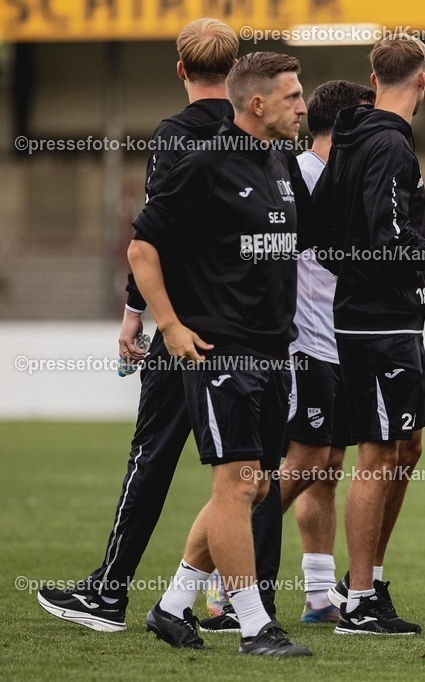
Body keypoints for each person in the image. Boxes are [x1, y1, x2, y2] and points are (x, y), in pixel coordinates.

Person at [35, 18, 284, 633]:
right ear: (235, 76)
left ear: (180, 69)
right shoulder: (255, 140)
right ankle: (246, 602)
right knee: (252, 468)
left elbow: (153, 238)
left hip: (186, 328)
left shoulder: (176, 137)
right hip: (246, 332)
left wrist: (136, 316)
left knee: (156, 456)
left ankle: (109, 592)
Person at [128, 51, 311, 656]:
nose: (302, 106)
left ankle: (173, 604)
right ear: (256, 104)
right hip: (217, 347)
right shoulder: (201, 162)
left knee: (255, 486)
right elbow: (142, 249)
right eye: (292, 97)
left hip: (271, 348)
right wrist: (170, 327)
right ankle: (256, 624)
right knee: (236, 484)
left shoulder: (281, 159)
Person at [311, 34, 425, 636]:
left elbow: (318, 235)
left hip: (375, 318)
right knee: (378, 455)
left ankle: (368, 583)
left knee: (401, 450)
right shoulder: (387, 143)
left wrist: (360, 277)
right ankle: (357, 601)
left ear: (373, 72)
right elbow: (390, 239)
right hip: (379, 325)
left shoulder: (351, 138)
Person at [277, 80, 375, 625]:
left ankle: (318, 595)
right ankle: (221, 574)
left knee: (329, 467)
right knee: (306, 461)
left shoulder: (344, 179)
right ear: (344, 126)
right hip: (302, 343)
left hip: (340, 344)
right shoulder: (297, 178)